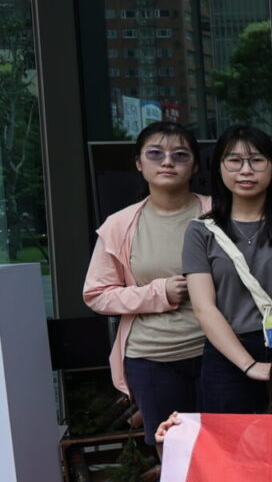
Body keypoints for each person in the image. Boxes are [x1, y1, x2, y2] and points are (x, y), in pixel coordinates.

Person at [85, 122, 212, 441]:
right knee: (172, 451)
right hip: (152, 358)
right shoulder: (120, 224)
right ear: (139, 163)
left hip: (219, 352)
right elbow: (97, 294)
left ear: (195, 165)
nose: (167, 162)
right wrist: (159, 292)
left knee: (226, 448)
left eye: (180, 154)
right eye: (155, 154)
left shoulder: (217, 213)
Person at [183, 126, 272, 414]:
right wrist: (249, 365)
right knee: (231, 440)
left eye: (257, 160)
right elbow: (204, 308)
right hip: (227, 354)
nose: (246, 170)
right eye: (234, 160)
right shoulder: (200, 230)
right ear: (219, 167)